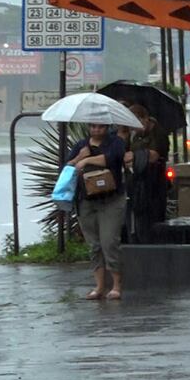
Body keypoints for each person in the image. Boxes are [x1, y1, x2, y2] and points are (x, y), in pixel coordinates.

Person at [68, 123, 127, 300]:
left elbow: (112, 159)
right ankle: (99, 286)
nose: (96, 130)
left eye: (100, 127)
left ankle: (116, 284)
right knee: (94, 245)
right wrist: (79, 157)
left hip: (111, 200)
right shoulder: (81, 145)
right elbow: (69, 167)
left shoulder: (115, 142)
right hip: (86, 200)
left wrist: (86, 160)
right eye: (93, 126)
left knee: (109, 242)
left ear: (106, 127)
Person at [123, 104, 169, 243]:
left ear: (145, 119)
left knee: (152, 217)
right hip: (137, 181)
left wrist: (136, 156)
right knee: (138, 218)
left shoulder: (158, 133)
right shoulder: (135, 136)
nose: (134, 129)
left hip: (154, 182)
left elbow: (155, 155)